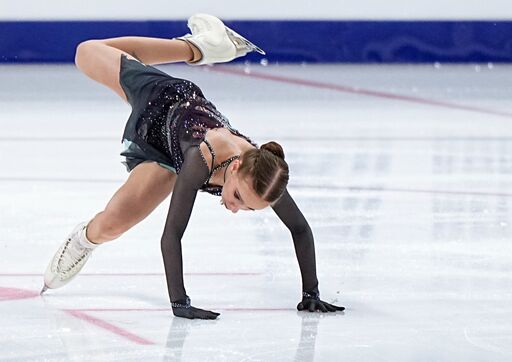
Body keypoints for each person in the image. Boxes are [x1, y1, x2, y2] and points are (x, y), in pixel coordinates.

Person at [41, 14, 345, 319]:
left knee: (112, 224)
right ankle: (195, 48)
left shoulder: (266, 175)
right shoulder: (204, 158)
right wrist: (180, 303)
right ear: (236, 167)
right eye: (238, 197)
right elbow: (172, 234)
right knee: (86, 52)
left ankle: (84, 240)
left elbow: (300, 228)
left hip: (169, 159)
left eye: (249, 209)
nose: (236, 209)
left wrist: (311, 294)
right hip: (160, 101)